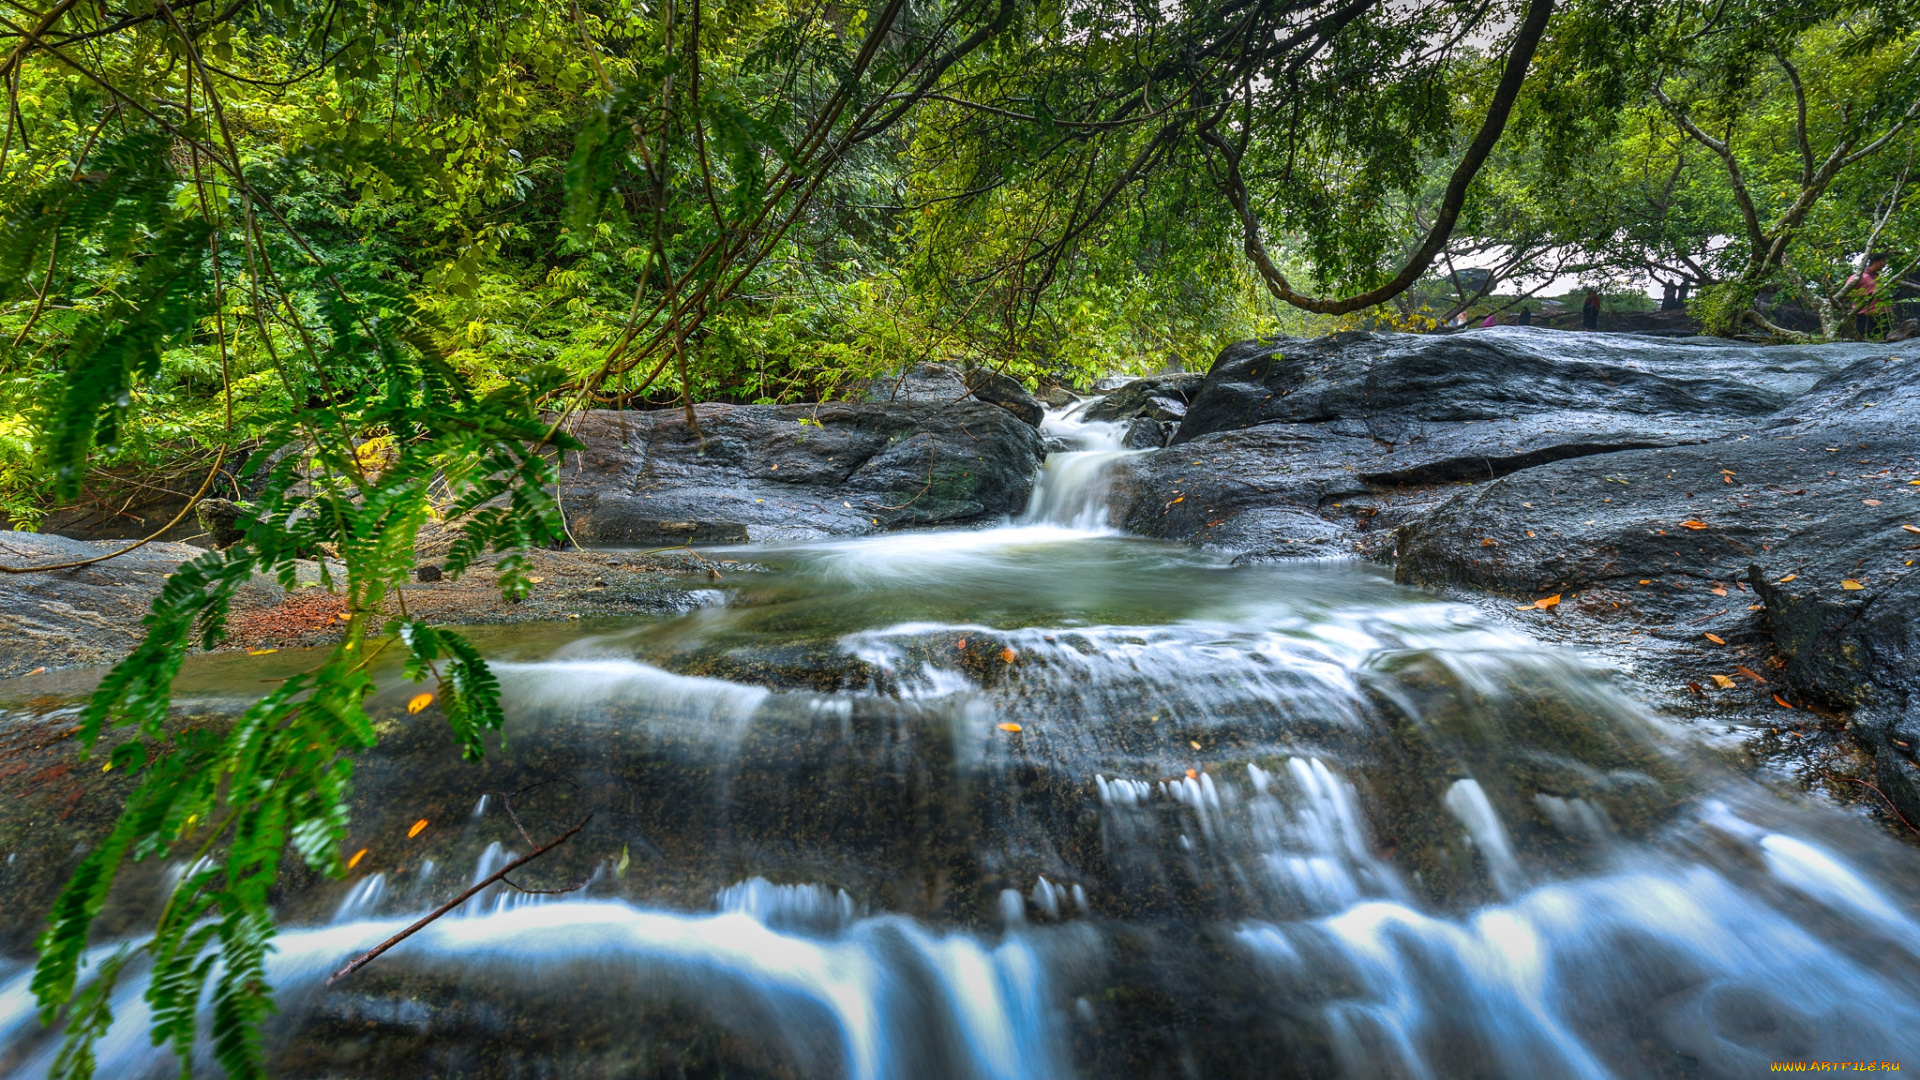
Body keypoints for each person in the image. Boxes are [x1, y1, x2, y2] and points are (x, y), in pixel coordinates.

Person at [1844, 253, 1890, 339]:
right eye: (1883, 261)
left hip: (1882, 314)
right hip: (1865, 315)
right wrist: (1866, 294)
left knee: (1886, 339)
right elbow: (1846, 293)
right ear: (1875, 262)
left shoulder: (1878, 277)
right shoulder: (1859, 276)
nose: (1885, 264)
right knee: (1864, 340)